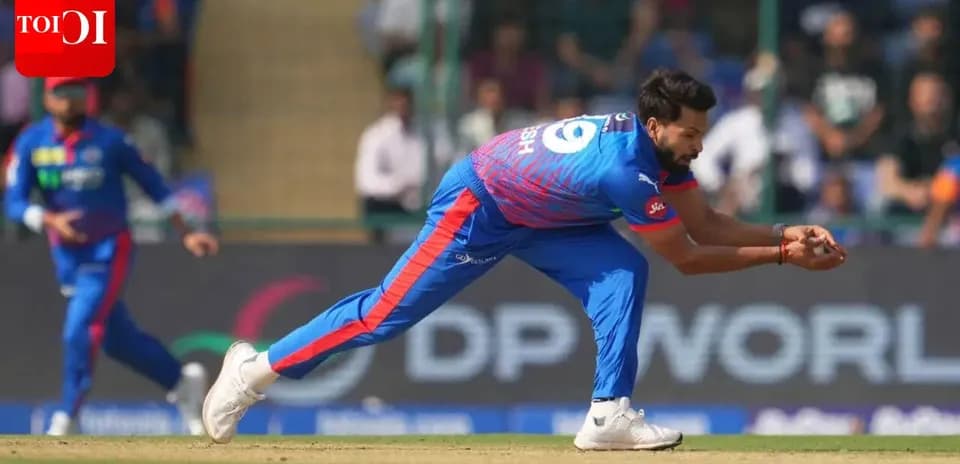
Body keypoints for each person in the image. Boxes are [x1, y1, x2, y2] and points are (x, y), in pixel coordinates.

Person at [202, 69, 847, 450]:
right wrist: (782, 257)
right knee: (384, 315)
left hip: (545, 213)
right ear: (655, 126)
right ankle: (254, 369)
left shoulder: (660, 152)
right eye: (691, 133)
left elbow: (704, 223)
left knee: (625, 271)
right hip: (481, 203)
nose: (699, 146)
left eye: (703, 133)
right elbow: (689, 256)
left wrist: (785, 230)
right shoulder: (627, 171)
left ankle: (607, 414)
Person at [2, 77, 220, 436]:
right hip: (67, 256)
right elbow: (14, 202)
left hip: (108, 249)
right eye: (62, 94)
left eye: (77, 93)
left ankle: (68, 413)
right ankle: (181, 381)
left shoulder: (111, 140)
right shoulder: (32, 142)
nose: (71, 101)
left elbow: (155, 186)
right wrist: (48, 219)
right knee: (117, 339)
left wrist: (187, 232)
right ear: (48, 99)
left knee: (79, 326)